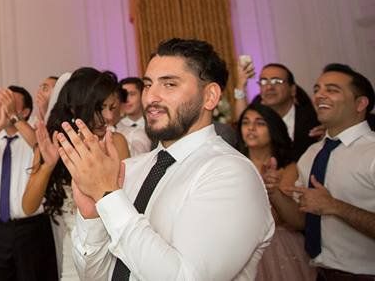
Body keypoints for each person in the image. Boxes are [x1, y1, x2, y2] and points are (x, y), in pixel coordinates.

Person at [54, 38, 274, 280]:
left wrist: (108, 195)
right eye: (148, 85)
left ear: (210, 96)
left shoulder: (231, 173)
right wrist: (93, 216)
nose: (151, 97)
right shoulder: (131, 168)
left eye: (169, 84)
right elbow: (95, 276)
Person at [22, 68, 130, 280]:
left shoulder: (116, 142)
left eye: (111, 107)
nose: (108, 117)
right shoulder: (51, 145)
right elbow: (28, 206)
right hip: (74, 254)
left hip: (115, 249)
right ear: (75, 107)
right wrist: (48, 165)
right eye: (100, 108)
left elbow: (127, 202)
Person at [282, 63, 375, 279]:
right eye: (317, 89)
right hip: (321, 273)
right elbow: (300, 221)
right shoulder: (312, 153)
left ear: (360, 103)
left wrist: (335, 206)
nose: (319, 96)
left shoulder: (371, 152)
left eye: (332, 90)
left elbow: (327, 207)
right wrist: (273, 190)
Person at [0, 85, 53, 280]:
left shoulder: (35, 132)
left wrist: (14, 118)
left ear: (24, 111)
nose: (3, 106)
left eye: (10, 102)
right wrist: (0, 124)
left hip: (30, 228)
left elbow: (41, 147)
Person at [236, 104, 313, 281]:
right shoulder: (233, 164)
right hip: (237, 243)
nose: (251, 128)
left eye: (260, 123)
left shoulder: (288, 169)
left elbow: (294, 220)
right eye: (246, 122)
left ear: (274, 129)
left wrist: (273, 189)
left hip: (278, 246)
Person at [241, 63, 321, 158]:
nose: (269, 87)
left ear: (292, 90)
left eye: (277, 81)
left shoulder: (313, 121)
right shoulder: (255, 118)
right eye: (263, 82)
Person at [116, 77, 151, 156]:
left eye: (132, 94)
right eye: (123, 96)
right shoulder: (115, 127)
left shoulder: (154, 123)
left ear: (142, 95)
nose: (127, 99)